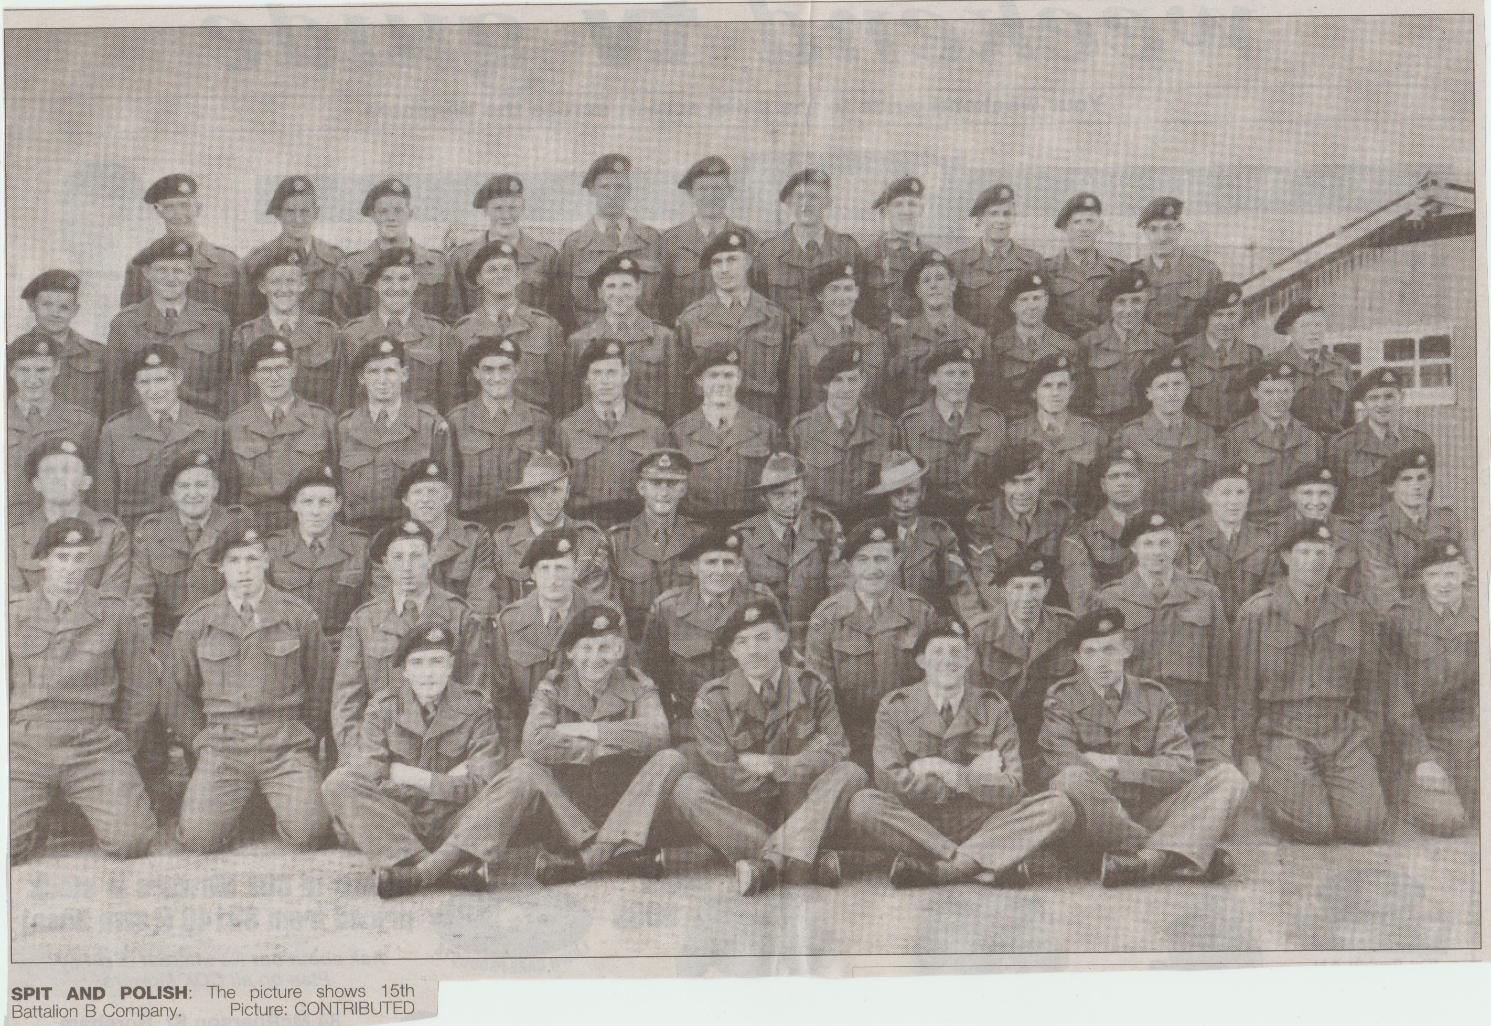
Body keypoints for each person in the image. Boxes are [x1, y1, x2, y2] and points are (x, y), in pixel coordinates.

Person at [849, 617, 1076, 889]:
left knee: (1059, 806)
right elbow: (889, 780)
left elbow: (1014, 787)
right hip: (919, 822)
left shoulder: (993, 707)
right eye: (937, 652)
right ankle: (979, 861)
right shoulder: (895, 707)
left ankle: (946, 869)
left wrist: (951, 773)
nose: (948, 660)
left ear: (969, 658)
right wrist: (970, 778)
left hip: (982, 820)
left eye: (956, 652)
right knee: (864, 804)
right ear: (921, 660)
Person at [668, 598, 867, 896]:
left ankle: (771, 862)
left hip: (803, 804)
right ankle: (800, 859)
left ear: (782, 640)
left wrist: (776, 766)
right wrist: (805, 762)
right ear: (733, 651)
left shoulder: (813, 687)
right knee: (686, 788)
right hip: (744, 814)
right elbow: (726, 774)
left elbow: (837, 750)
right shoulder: (712, 699)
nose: (754, 650)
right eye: (743, 642)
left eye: (763, 638)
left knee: (850, 772)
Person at [1040, 608, 1249, 887]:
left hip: (1152, 810)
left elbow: (1182, 768)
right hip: (1101, 817)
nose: (1101, 662)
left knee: (1229, 778)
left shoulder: (1155, 697)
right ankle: (1169, 854)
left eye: (1110, 650)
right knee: (1069, 780)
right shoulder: (1062, 699)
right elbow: (1063, 763)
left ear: (1127, 650)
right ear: (1077, 658)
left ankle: (1145, 862)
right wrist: (1141, 772)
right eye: (1090, 652)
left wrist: (1118, 764)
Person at [166, 522, 333, 853]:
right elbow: (175, 693)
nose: (244, 569)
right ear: (220, 567)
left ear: (267, 562)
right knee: (200, 838)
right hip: (224, 745)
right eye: (234, 560)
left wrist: (307, 732)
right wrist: (201, 740)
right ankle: (238, 809)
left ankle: (270, 803)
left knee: (311, 832)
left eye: (252, 559)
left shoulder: (296, 615)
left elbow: (322, 681)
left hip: (284, 744)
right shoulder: (199, 621)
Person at [9, 517, 158, 863]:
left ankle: (73, 804)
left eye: (80, 558)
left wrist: (119, 740)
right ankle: (38, 814)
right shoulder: (13, 615)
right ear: (43, 560)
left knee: (131, 841)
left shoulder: (114, 613)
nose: (71, 568)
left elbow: (141, 687)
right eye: (62, 557)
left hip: (93, 744)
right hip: (26, 746)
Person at [321, 625, 505, 898]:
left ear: (450, 666)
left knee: (520, 776)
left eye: (437, 662)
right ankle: (447, 870)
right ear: (405, 671)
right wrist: (449, 782)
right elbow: (370, 779)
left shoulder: (476, 707)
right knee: (338, 782)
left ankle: (415, 872)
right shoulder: (383, 708)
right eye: (417, 663)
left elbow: (485, 783)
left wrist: (413, 777)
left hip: (458, 821)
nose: (428, 673)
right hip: (402, 822)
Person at [1234, 522, 1387, 845]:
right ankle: (1280, 792)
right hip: (1283, 732)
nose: (1314, 561)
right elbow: (1242, 690)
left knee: (1367, 827)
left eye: (1322, 552)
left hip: (1340, 731)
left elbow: (1371, 686)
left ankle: (1320, 789)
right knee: (1315, 828)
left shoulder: (1353, 611)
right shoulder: (1258, 612)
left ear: (1332, 557)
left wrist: (1370, 745)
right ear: (1287, 557)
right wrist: (1248, 753)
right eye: (1304, 552)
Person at [516, 605, 685, 885]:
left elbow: (657, 734)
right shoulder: (553, 688)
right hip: (573, 814)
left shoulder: (638, 685)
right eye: (586, 648)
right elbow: (534, 743)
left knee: (671, 758)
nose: (595, 658)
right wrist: (603, 748)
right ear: (570, 653)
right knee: (524, 768)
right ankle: (618, 853)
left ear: (619, 651)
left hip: (625, 802)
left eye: (605, 648)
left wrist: (591, 730)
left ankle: (591, 859)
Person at [334, 520, 486, 760]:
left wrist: (466, 760)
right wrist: (359, 760)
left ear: (431, 558)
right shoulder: (364, 620)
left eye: (415, 556)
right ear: (385, 564)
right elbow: (347, 702)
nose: (407, 567)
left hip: (447, 752)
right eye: (397, 558)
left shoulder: (460, 615)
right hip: (381, 749)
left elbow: (476, 694)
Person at [1095, 510, 1232, 770]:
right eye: (1148, 543)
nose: (1157, 551)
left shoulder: (1205, 595)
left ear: (1177, 545)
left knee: (1224, 780)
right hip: (1134, 723)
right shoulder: (1111, 599)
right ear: (1134, 547)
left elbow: (1223, 671)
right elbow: (1096, 671)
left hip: (1195, 722)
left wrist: (1225, 733)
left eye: (1165, 543)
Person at [805, 517, 937, 773]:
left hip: (910, 739)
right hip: (852, 740)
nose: (872, 569)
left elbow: (933, 686)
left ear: (897, 561)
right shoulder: (827, 617)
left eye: (881, 559)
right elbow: (820, 695)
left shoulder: (921, 613)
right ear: (849, 566)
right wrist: (840, 748)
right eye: (862, 560)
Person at [639, 527, 777, 759]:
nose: (720, 571)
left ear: (740, 566)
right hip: (692, 729)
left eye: (728, 562)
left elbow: (782, 669)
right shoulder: (668, 609)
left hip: (753, 728)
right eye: (711, 562)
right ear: (694, 567)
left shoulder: (761, 603)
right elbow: (653, 678)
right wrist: (671, 727)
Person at [1386, 539, 1477, 837]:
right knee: (1447, 819)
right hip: (1424, 736)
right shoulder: (1400, 619)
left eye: (1451, 573)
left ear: (1464, 573)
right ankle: (1402, 791)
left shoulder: (1481, 614)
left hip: (1470, 733)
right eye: (1434, 575)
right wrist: (1421, 757)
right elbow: (1395, 698)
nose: (1444, 583)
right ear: (1422, 579)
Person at [968, 549, 1077, 772]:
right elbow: (974, 704)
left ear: (1047, 587)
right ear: (1003, 591)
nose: (1026, 598)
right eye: (1017, 587)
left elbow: (1078, 693)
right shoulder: (981, 634)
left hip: (1054, 740)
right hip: (1001, 742)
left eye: (1034, 587)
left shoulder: (1067, 627)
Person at [95, 344, 224, 530]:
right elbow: (106, 503)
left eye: (161, 380)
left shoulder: (210, 428)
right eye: (144, 382)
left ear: (178, 378)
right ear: (136, 386)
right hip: (137, 536)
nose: (154, 390)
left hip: (197, 534)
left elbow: (224, 496)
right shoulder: (116, 432)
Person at [105, 237, 234, 420]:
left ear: (191, 274)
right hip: (144, 426)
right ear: (147, 273)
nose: (171, 278)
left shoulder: (215, 322)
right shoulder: (125, 323)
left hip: (200, 426)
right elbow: (114, 391)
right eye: (162, 270)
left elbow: (227, 385)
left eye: (178, 271)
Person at [489, 529, 592, 753]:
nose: (554, 579)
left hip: (585, 742)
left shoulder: (598, 615)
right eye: (545, 569)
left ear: (576, 570)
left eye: (561, 568)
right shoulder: (510, 621)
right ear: (533, 575)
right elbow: (502, 698)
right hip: (528, 743)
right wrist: (516, 752)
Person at [334, 337, 453, 532]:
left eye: (390, 371)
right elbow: (334, 491)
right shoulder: (344, 427)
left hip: (412, 533)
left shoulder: (429, 424)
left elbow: (448, 491)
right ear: (361, 378)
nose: (382, 380)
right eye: (373, 371)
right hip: (358, 533)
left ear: (404, 375)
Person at [223, 335, 337, 535]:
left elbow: (336, 483)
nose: (274, 377)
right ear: (253, 376)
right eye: (265, 370)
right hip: (253, 525)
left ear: (294, 370)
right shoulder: (235, 425)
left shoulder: (322, 421)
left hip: (306, 523)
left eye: (281, 368)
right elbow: (229, 492)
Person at [676, 229, 789, 421]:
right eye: (716, 262)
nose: (724, 269)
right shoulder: (692, 319)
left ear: (748, 263)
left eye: (732, 260)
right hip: (712, 418)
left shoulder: (775, 317)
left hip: (761, 418)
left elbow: (786, 379)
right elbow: (683, 383)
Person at [733, 452, 845, 646]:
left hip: (819, 635)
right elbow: (740, 599)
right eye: (779, 495)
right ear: (764, 497)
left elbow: (841, 588)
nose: (789, 504)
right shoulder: (743, 537)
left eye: (795, 494)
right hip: (764, 639)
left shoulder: (825, 528)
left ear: (804, 492)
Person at [557, 338, 670, 527]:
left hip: (638, 525)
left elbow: (666, 485)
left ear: (625, 374)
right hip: (586, 526)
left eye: (612, 372)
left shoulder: (652, 427)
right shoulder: (568, 429)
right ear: (586, 380)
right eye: (597, 373)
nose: (605, 381)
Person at [667, 344, 783, 526]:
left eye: (729, 375)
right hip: (697, 528)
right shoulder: (679, 432)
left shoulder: (766, 429)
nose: (721, 383)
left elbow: (780, 489)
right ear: (699, 380)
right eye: (713, 376)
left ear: (739, 379)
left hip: (751, 528)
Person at [444, 336, 555, 525]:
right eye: (488, 370)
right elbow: (449, 485)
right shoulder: (457, 421)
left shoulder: (539, 421)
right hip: (474, 523)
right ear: (476, 373)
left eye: (504, 369)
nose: (497, 378)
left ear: (516, 371)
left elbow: (552, 483)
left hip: (526, 522)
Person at [566, 254, 688, 423]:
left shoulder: (664, 339)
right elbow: (571, 406)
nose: (619, 294)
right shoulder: (580, 342)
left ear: (639, 289)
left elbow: (675, 404)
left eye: (626, 286)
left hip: (648, 434)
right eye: (611, 286)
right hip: (595, 433)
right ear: (600, 292)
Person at [367, 459, 498, 617]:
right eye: (417, 492)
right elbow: (384, 601)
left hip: (460, 625)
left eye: (432, 491)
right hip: (405, 627)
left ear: (447, 496)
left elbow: (483, 597)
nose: (425, 499)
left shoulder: (474, 538)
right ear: (406, 500)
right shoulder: (388, 541)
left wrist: (460, 627)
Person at [336, 247, 459, 414]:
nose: (396, 287)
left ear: (415, 283)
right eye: (387, 279)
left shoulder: (439, 334)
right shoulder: (353, 335)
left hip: (422, 427)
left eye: (404, 279)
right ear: (376, 285)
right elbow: (344, 402)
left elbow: (450, 402)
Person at [863, 450, 980, 624]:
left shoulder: (939, 534)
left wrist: (976, 626)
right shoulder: (868, 537)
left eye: (911, 491)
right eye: (897, 493)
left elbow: (960, 589)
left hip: (929, 627)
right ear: (887, 496)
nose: (905, 499)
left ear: (922, 492)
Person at [788, 343, 898, 528]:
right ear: (825, 385)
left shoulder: (885, 428)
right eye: (838, 380)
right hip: (818, 525)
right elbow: (790, 491)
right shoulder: (802, 430)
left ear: (863, 381)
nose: (846, 389)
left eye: (852, 380)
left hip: (871, 526)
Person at [489, 450, 616, 609]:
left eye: (556, 490)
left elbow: (597, 605)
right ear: (526, 496)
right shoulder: (504, 541)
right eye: (539, 491)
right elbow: (501, 608)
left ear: (567, 492)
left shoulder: (590, 539)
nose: (549, 500)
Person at [897, 342, 1007, 525]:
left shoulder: (992, 420)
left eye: (964, 374)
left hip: (983, 520)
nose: (958, 381)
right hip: (931, 520)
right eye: (950, 373)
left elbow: (1001, 479)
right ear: (933, 379)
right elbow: (904, 487)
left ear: (973, 378)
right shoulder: (911, 425)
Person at [452, 239, 566, 413]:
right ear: (479, 278)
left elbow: (560, 393)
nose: (500, 275)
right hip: (481, 425)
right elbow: (456, 396)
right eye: (492, 270)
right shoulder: (463, 331)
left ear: (518, 276)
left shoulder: (546, 328)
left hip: (535, 424)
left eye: (507, 269)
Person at [9, 439, 129, 599]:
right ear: (37, 483)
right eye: (50, 471)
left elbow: (113, 600)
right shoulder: (14, 536)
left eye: (68, 470)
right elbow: (14, 604)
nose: (59, 478)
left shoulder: (110, 532)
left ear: (86, 482)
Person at [964, 443, 1074, 617]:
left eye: (1029, 481)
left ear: (1042, 479)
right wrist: (1018, 617)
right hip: (1005, 612)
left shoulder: (1060, 515)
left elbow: (1072, 573)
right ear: (1002, 484)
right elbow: (986, 581)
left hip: (1051, 612)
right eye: (1013, 482)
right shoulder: (983, 520)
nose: (1022, 491)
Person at [556, 153, 664, 331]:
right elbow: (563, 306)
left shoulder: (653, 240)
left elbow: (665, 301)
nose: (612, 194)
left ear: (629, 190)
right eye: (605, 187)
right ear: (592, 190)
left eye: (620, 187)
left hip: (643, 341)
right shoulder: (574, 245)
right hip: (592, 342)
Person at [608, 449, 709, 638]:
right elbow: (611, 606)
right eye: (655, 483)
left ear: (683, 489)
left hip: (688, 640)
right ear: (641, 488)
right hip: (635, 641)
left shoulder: (701, 537)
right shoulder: (617, 541)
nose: (664, 492)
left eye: (672, 484)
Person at [265, 465, 368, 648]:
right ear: (294, 504)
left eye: (324, 502)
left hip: (345, 646)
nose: (316, 511)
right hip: (290, 646)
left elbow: (373, 609)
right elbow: (263, 609)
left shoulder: (360, 546)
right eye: (307, 502)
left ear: (338, 505)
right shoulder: (273, 548)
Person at [120, 173, 244, 324]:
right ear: (159, 211)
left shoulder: (229, 264)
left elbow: (243, 322)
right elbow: (129, 323)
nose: (178, 214)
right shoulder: (141, 265)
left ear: (198, 208)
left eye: (185, 205)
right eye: (169, 207)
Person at [751, 167, 862, 336]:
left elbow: (862, 306)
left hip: (834, 343)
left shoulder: (847, 249)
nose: (805, 205)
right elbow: (758, 306)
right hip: (783, 343)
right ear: (789, 202)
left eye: (813, 197)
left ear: (828, 202)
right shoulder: (768, 252)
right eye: (799, 197)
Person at [231, 245, 343, 412]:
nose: (284, 289)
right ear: (262, 287)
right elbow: (240, 398)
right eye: (275, 282)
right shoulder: (245, 336)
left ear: (303, 284)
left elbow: (340, 397)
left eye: (291, 281)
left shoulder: (327, 333)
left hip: (315, 426)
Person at [1115, 352, 1220, 524]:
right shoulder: (1131, 435)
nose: (1171, 393)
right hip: (1151, 525)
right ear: (1149, 393)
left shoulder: (1205, 433)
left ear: (1187, 389)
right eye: (1163, 386)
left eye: (1177, 384)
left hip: (1198, 523)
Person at [886, 249, 996, 414]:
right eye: (926, 281)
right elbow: (891, 396)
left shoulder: (977, 338)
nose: (933, 285)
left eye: (940, 278)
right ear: (918, 290)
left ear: (953, 284)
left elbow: (987, 394)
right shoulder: (900, 337)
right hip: (916, 425)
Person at [1358, 447, 1465, 615]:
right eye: (1406, 479)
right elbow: (1384, 593)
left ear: (1430, 481)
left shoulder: (1448, 520)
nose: (1416, 486)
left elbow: (1467, 576)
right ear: (1391, 486)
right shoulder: (1377, 526)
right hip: (1398, 619)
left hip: (1445, 613)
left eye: (1422, 478)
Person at [331, 176, 449, 324]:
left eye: (398, 211)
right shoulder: (352, 267)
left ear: (410, 214)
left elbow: (452, 321)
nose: (391, 218)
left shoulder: (438, 264)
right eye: (383, 211)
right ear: (373, 215)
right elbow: (343, 324)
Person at [7, 333, 100, 519]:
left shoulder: (82, 422)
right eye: (24, 370)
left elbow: (93, 487)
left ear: (56, 369)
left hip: (64, 525)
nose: (33, 380)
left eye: (42, 370)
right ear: (11, 371)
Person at [1326, 367, 1436, 520]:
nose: (1382, 404)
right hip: (1362, 532)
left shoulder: (1421, 442)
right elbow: (1335, 505)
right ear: (1364, 403)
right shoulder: (1343, 445)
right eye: (1374, 398)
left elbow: (1425, 497)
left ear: (1402, 398)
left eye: (1389, 396)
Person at [660, 156, 759, 325]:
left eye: (717, 188)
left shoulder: (749, 240)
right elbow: (661, 301)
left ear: (729, 191)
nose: (710, 196)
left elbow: (759, 296)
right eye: (702, 189)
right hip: (687, 336)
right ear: (691, 193)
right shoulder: (671, 241)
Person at [446, 173, 558, 321]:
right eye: (498, 208)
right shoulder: (462, 258)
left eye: (513, 208)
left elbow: (557, 315)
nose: (506, 216)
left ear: (523, 207)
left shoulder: (546, 257)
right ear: (486, 210)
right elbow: (454, 317)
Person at [786, 262, 890, 420]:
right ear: (820, 295)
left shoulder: (876, 341)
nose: (842, 297)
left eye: (848, 289)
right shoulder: (804, 344)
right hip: (821, 431)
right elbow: (795, 408)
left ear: (857, 293)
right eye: (834, 289)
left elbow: (884, 400)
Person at [1222, 361, 1323, 523]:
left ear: (1294, 391)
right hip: (1255, 525)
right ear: (1255, 392)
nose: (1277, 399)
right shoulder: (1236, 437)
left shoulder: (1311, 437)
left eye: (1284, 391)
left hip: (1300, 525)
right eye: (1269, 392)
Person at [1006, 353, 1107, 511]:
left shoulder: (1092, 434)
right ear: (1034, 392)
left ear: (1071, 389)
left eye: (1062, 385)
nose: (1055, 393)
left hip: (1078, 519)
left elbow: (1102, 489)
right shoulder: (1016, 434)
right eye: (1047, 386)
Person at [1177, 462, 1275, 622]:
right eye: (1225, 493)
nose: (1234, 501)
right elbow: (1184, 590)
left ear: (1249, 495)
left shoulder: (1263, 538)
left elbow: (1271, 590)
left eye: (1240, 492)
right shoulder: (1191, 536)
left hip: (1253, 623)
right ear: (1208, 496)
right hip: (1207, 625)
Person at [241, 176, 346, 322]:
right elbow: (246, 319)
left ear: (316, 213)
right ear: (278, 214)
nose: (298, 219)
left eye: (305, 211)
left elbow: (342, 320)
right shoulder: (256, 261)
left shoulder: (335, 260)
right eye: (290, 211)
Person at [1081, 266, 1173, 429]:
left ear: (1146, 302)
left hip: (1147, 429)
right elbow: (1080, 400)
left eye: (1136, 301)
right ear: (1110, 305)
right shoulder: (1089, 343)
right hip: (1103, 427)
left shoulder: (1162, 344)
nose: (1128, 310)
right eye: (1121, 302)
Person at [951, 183, 1045, 341]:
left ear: (1013, 218)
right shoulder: (958, 262)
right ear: (980, 219)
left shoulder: (1033, 262)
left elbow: (1045, 314)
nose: (1001, 220)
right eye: (994, 214)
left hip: (1016, 348)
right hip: (973, 347)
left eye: (1007, 214)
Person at [1059, 446, 1144, 615]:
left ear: (1142, 483)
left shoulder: (1167, 530)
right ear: (1103, 485)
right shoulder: (1080, 537)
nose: (1123, 482)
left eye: (1129, 475)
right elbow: (1084, 602)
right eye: (1114, 476)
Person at [988, 270, 1081, 417]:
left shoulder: (1066, 346)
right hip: (1012, 421)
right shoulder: (997, 347)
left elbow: (1075, 394)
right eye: (1024, 300)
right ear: (1013, 306)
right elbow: (993, 396)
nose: (1032, 306)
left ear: (1046, 302)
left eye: (1037, 298)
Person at [12, 268, 106, 413]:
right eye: (47, 305)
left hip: (83, 427)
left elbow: (110, 407)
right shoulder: (12, 353)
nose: (55, 313)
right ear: (32, 305)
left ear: (75, 310)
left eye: (64, 307)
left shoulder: (98, 354)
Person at [1132, 197, 1223, 341]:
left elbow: (1219, 325)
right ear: (1145, 232)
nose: (1162, 237)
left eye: (1168, 228)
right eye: (1153, 229)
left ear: (1180, 229)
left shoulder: (1207, 272)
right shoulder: (1133, 274)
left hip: (1192, 352)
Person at [1265, 463, 1363, 595]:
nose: (1316, 502)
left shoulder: (1352, 533)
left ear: (1334, 495)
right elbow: (1267, 586)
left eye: (1324, 493)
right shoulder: (1271, 533)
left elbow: (1360, 586)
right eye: (1307, 493)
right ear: (1292, 495)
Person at [1174, 281, 1259, 432]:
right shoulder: (1184, 354)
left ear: (1240, 316)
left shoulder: (1253, 356)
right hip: (1196, 437)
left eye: (1232, 315)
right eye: (1218, 315)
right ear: (1207, 317)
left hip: (1239, 437)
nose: (1225, 323)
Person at [1043, 192, 1127, 341]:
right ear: (1065, 228)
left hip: (1105, 348)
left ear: (1100, 227)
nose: (1084, 229)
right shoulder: (1047, 270)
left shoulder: (1117, 270)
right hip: (1062, 350)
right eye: (1077, 222)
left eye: (1090, 221)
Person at [856, 174, 930, 332]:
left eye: (912, 204)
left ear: (921, 210)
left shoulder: (931, 257)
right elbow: (857, 310)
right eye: (898, 205)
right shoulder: (866, 256)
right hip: (878, 340)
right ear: (884, 212)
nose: (906, 211)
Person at [1274, 299, 1351, 438]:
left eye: (1318, 325)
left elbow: (1350, 417)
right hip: (1292, 445)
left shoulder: (1340, 364)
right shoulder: (1274, 364)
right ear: (1289, 330)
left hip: (1335, 445)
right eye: (1306, 325)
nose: (1314, 331)